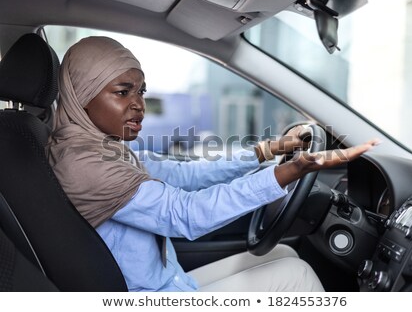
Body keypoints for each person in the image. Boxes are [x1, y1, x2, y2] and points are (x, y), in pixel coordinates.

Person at [46, 36, 379, 292]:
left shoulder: (102, 146)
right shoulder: (86, 163)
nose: (139, 105)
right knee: (297, 276)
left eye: (141, 92)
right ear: (83, 94)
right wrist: (286, 173)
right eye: (122, 92)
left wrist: (268, 151)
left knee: (284, 255)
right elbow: (187, 214)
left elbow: (186, 175)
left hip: (166, 282)